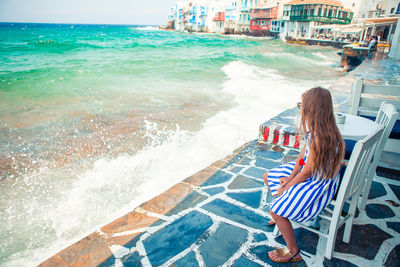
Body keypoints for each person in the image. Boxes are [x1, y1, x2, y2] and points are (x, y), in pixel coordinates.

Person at [263, 87, 345, 263]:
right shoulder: (315, 130)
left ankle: (293, 252)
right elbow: (302, 158)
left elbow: (307, 172)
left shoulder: (320, 137)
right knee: (268, 176)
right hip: (311, 173)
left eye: (302, 106)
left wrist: (288, 185)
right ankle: (283, 210)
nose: (300, 109)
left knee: (275, 211)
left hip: (318, 182)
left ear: (312, 110)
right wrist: (291, 176)